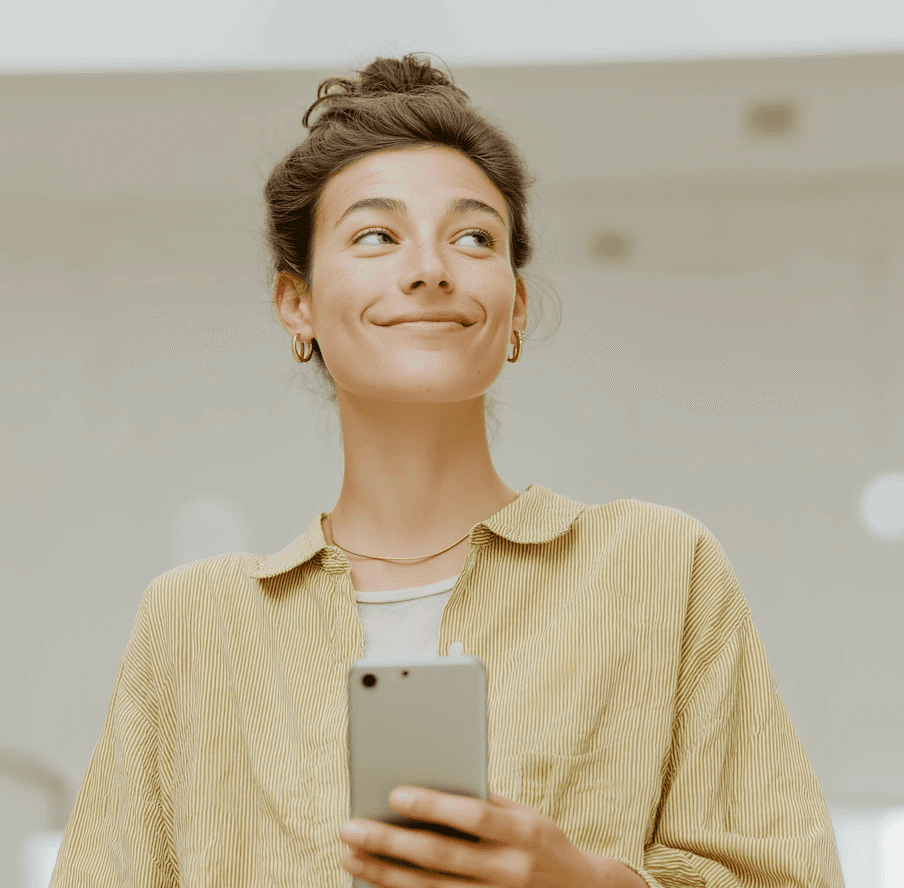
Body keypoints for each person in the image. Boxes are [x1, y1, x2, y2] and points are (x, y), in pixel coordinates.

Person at [48, 54, 844, 887]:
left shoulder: (659, 566)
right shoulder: (192, 623)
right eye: (375, 236)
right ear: (297, 304)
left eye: (473, 238)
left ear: (515, 306)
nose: (430, 269)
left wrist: (589, 884)